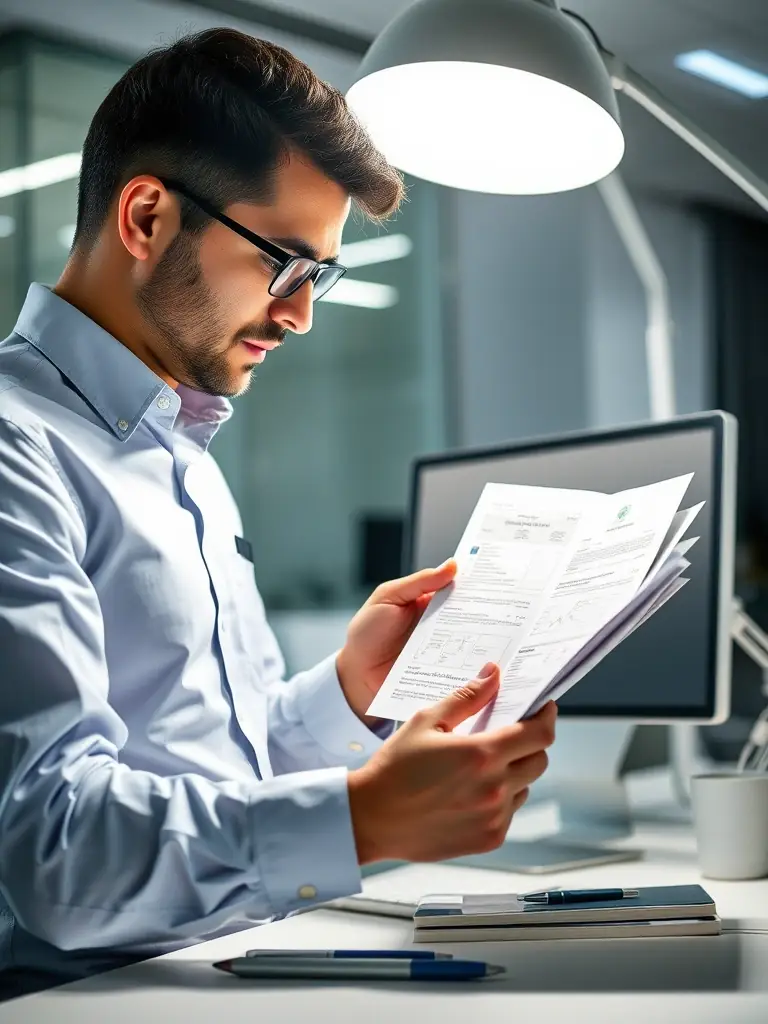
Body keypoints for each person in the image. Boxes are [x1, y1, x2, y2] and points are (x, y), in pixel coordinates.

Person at [0, 28, 556, 993]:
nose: (301, 314)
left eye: (321, 276)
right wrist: (360, 820)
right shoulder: (18, 447)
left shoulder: (178, 443)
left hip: (227, 963)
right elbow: (49, 849)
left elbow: (221, 772)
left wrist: (347, 693)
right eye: (284, 263)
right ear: (144, 217)